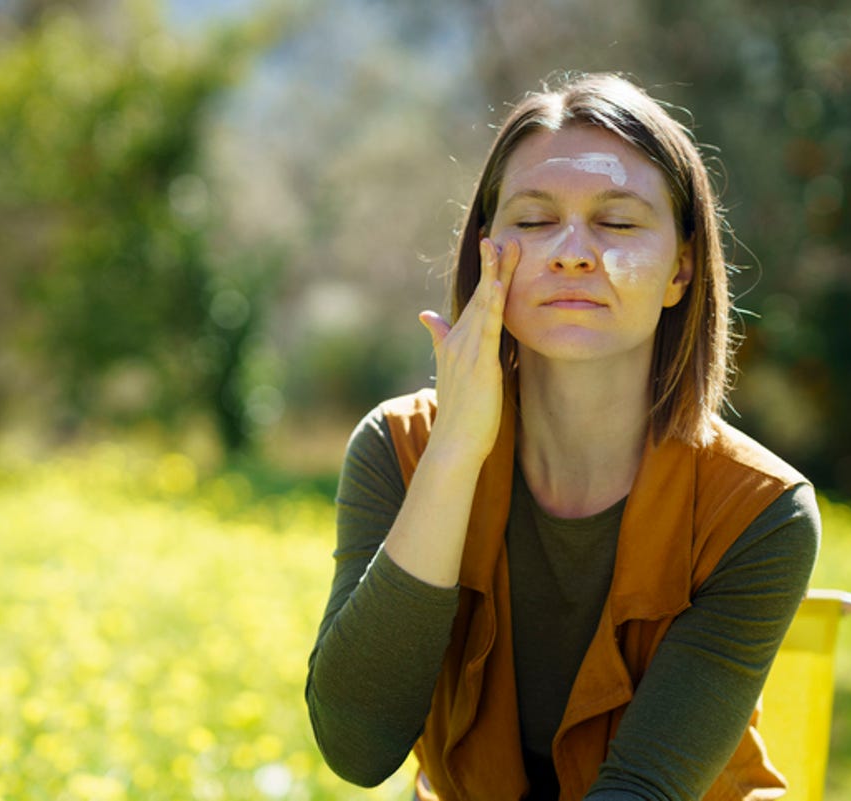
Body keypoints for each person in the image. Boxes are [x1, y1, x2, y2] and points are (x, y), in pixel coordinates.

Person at [305, 72, 820, 801]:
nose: (572, 251)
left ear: (681, 268)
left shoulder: (760, 511)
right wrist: (454, 452)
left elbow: (642, 788)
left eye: (617, 223)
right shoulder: (398, 448)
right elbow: (356, 747)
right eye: (534, 219)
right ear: (486, 250)